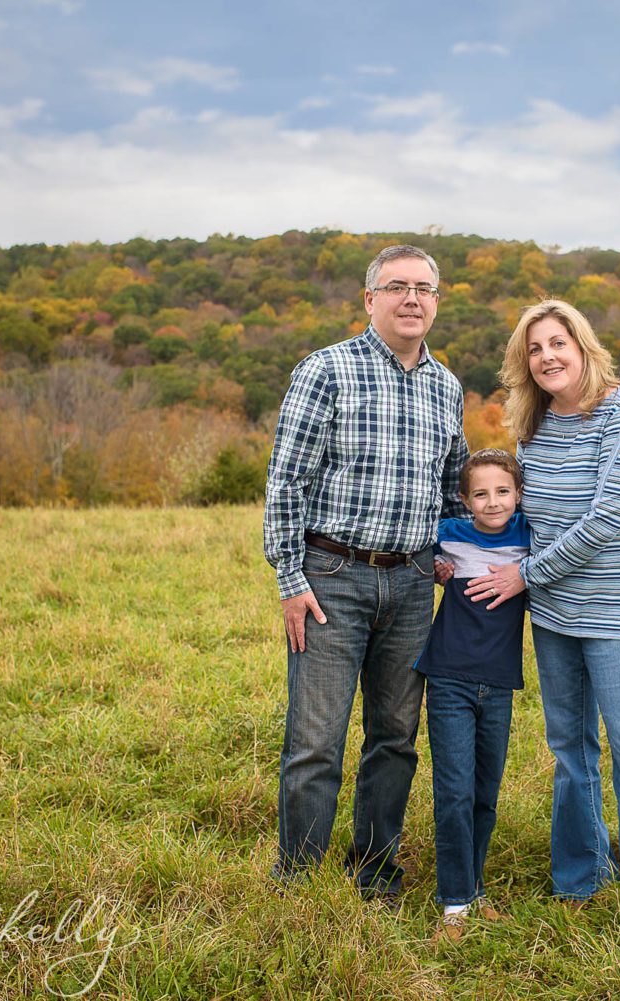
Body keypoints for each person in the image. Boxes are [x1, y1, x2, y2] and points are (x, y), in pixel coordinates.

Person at [463, 299, 620, 932]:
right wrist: (462, 556)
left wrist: (524, 575)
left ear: (583, 345)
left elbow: (606, 522)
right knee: (570, 750)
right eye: (534, 350)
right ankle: (581, 877)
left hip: (617, 613)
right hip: (555, 615)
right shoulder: (535, 426)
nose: (547, 357)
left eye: (557, 343)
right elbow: (521, 519)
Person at [263, 244, 469, 902]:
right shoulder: (326, 370)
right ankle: (297, 879)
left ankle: (374, 872)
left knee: (396, 737)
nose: (413, 298)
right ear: (369, 299)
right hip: (331, 577)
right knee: (316, 739)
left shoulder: (447, 386)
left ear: (437, 300)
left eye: (425, 288)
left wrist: (464, 557)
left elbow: (452, 489)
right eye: (397, 286)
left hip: (410, 583)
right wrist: (291, 579)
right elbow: (285, 483)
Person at [415, 448, 530, 942]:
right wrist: (438, 566)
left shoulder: (532, 541)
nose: (492, 502)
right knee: (455, 793)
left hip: (499, 682)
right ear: (463, 500)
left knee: (485, 795)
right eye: (480, 493)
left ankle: (474, 888)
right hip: (449, 678)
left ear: (519, 495)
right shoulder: (450, 537)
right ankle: (454, 906)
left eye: (503, 491)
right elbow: (423, 557)